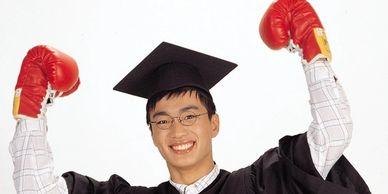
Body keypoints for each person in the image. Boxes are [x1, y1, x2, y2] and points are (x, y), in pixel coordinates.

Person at [9, 0, 370, 193]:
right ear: (152, 132)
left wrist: (312, 50)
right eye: (162, 121)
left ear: (214, 124)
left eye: (189, 115)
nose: (176, 130)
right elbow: (36, 190)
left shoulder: (261, 184)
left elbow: (333, 133)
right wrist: (30, 108)